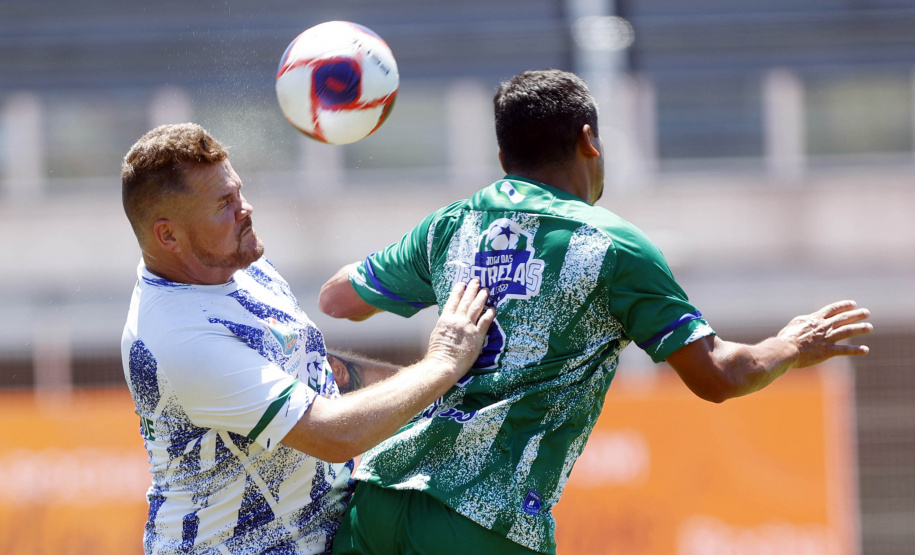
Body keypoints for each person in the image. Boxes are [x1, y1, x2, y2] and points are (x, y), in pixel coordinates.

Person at [317, 69, 874, 555]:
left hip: (377, 498)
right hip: (483, 518)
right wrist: (793, 345)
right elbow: (718, 376)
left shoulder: (450, 226)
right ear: (590, 140)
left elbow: (337, 299)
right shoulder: (612, 246)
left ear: (504, 158)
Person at [119, 122, 494, 554]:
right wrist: (442, 363)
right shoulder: (177, 337)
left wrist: (444, 392)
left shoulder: (233, 265)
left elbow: (313, 370)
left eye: (238, 191)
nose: (246, 209)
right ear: (168, 235)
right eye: (224, 203)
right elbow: (333, 435)